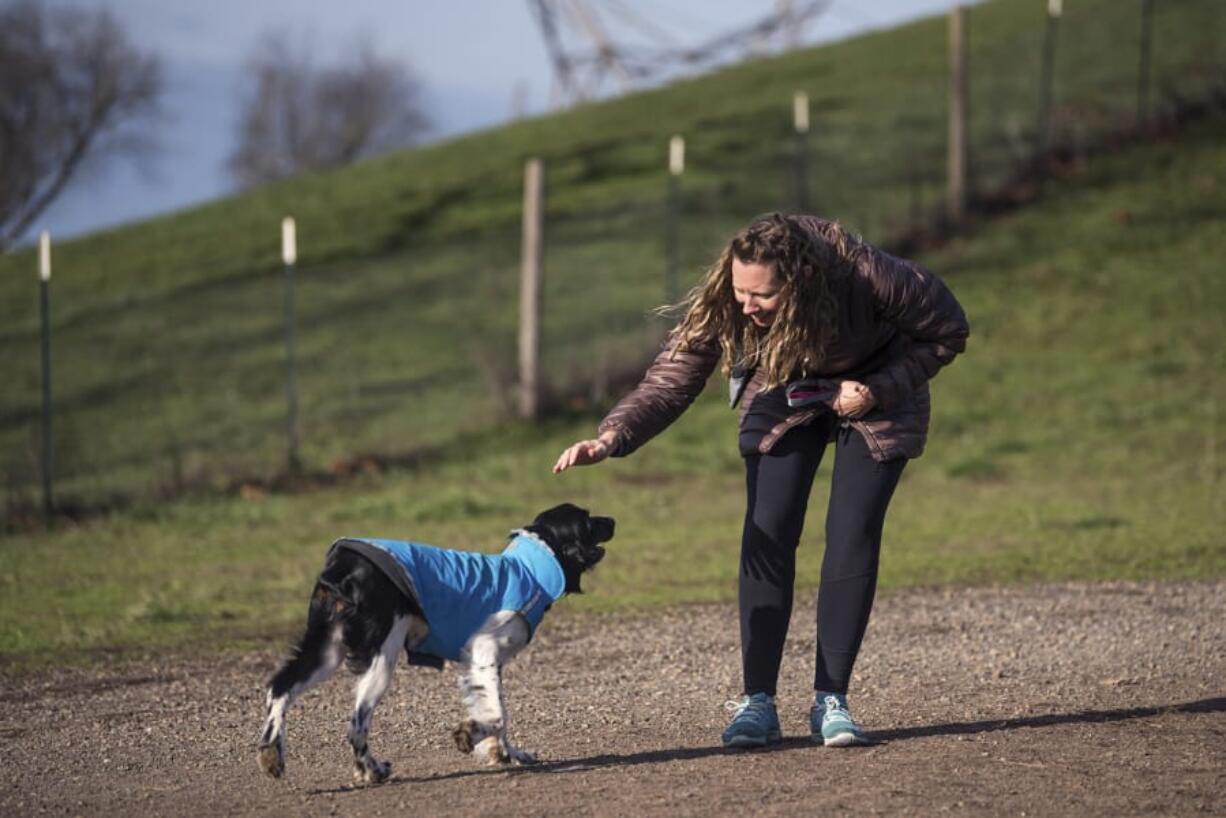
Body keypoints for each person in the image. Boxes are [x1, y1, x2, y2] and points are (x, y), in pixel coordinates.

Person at [553, 212, 969, 749]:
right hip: (787, 381)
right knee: (767, 531)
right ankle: (758, 704)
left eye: (762, 296)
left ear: (799, 282)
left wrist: (881, 389)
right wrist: (612, 437)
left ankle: (831, 701)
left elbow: (947, 330)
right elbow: (674, 374)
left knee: (851, 532)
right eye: (739, 290)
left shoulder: (867, 275)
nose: (746, 305)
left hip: (875, 388)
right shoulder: (736, 297)